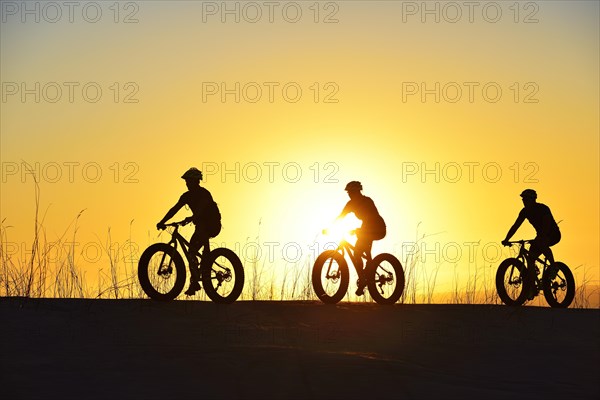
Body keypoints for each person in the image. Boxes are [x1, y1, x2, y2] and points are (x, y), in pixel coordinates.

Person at [157, 167, 222, 295]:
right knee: (191, 252)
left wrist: (191, 218)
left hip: (213, 224)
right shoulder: (186, 196)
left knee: (202, 227)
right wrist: (162, 221)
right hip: (200, 226)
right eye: (186, 181)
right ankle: (195, 282)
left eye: (189, 181)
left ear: (196, 181)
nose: (187, 184)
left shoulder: (204, 193)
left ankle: (207, 255)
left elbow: (202, 209)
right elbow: (174, 209)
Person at [502, 189, 561, 299]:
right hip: (540, 236)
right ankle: (533, 287)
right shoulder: (524, 212)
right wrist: (506, 239)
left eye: (526, 199)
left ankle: (553, 266)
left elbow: (547, 224)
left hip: (553, 234)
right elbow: (516, 226)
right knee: (530, 258)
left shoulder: (543, 208)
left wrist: (541, 237)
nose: (524, 201)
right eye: (523, 199)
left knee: (542, 243)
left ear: (532, 199)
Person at [338, 181, 387, 295]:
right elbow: (341, 216)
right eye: (348, 192)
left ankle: (364, 278)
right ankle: (366, 273)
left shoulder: (367, 201)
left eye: (352, 192)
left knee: (357, 251)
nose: (350, 194)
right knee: (359, 250)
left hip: (377, 227)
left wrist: (359, 230)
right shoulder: (350, 204)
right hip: (365, 227)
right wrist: (330, 227)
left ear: (358, 191)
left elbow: (372, 218)